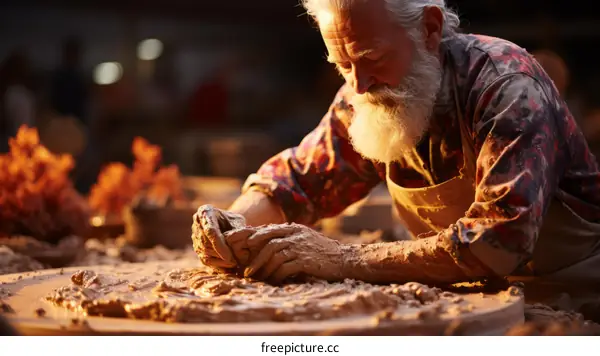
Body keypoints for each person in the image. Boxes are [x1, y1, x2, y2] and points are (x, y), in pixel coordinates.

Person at [193, 0, 600, 319]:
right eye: (342, 64)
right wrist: (235, 225)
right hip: (474, 300)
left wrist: (342, 258)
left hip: (568, 298)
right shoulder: (366, 92)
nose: (358, 84)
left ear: (429, 28)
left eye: (371, 58)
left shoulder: (506, 86)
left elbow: (498, 243)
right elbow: (299, 182)